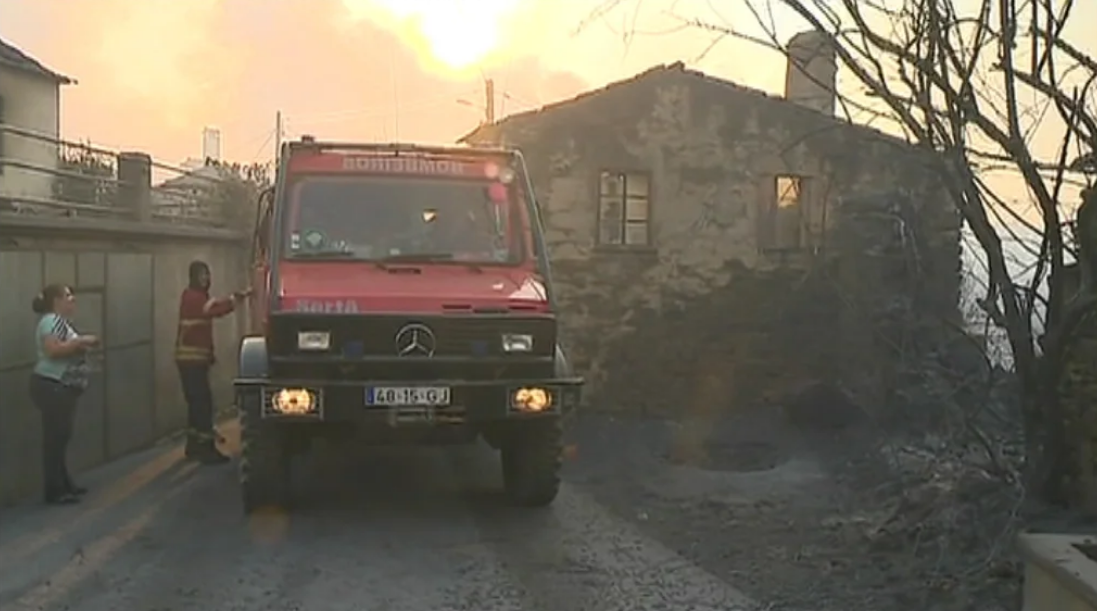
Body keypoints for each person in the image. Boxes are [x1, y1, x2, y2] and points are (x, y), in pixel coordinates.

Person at [175, 261, 250, 464]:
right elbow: (214, 309)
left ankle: (193, 446)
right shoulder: (194, 297)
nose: (206, 279)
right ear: (193, 277)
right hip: (191, 363)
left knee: (195, 405)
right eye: (202, 276)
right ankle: (206, 449)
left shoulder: (194, 296)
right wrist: (235, 299)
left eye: (207, 275)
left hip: (193, 362)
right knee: (203, 406)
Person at [30, 284, 98, 505]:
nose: (73, 300)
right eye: (68, 296)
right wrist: (81, 341)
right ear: (56, 301)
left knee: (61, 437)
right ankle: (55, 490)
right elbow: (53, 349)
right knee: (55, 439)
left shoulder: (60, 322)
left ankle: (64, 483)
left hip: (59, 386)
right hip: (52, 385)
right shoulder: (52, 320)